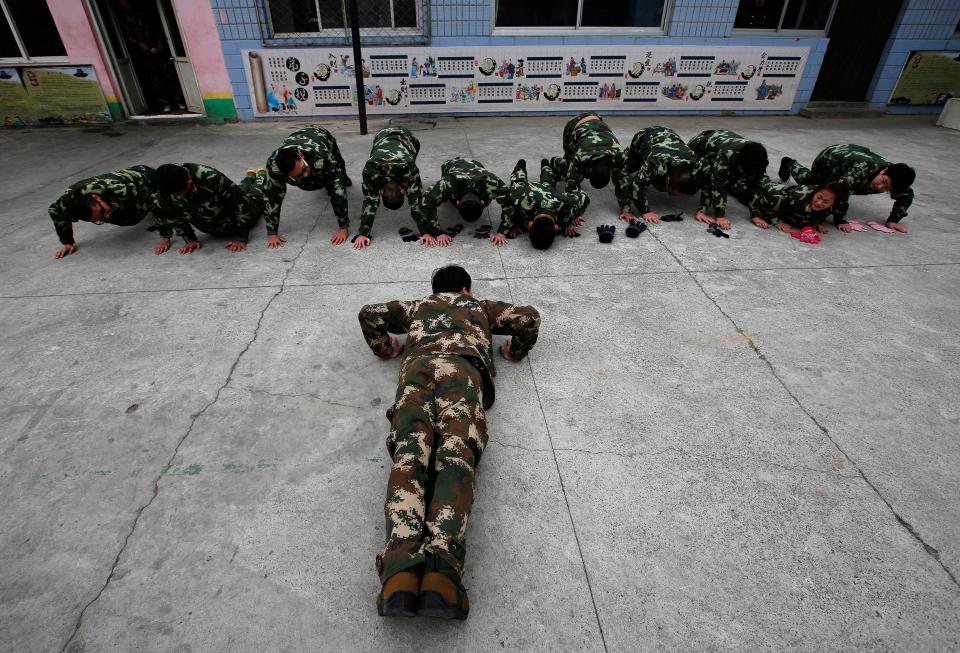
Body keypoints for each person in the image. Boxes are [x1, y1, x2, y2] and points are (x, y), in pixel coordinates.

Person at [358, 265, 541, 620]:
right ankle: (442, 572)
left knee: (409, 460)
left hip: (417, 371)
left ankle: (400, 573)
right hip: (462, 373)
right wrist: (514, 352)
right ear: (466, 289)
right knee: (455, 460)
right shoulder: (480, 307)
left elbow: (369, 314)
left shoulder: (416, 307)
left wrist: (386, 347)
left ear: (433, 290)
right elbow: (529, 318)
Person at [779, 145, 915, 233]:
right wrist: (840, 220)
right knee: (814, 186)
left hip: (850, 162)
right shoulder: (861, 170)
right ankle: (790, 163)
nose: (880, 187)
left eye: (887, 188)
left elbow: (906, 195)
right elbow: (841, 192)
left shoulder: (896, 178)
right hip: (831, 158)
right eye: (883, 181)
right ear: (884, 171)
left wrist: (893, 220)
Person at [261, 125, 352, 249]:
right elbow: (272, 197)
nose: (306, 173)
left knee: (338, 170)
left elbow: (337, 192)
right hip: (297, 139)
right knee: (306, 182)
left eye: (304, 169)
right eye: (298, 175)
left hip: (320, 135)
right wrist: (272, 233)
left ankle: (344, 176)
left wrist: (343, 227)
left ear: (301, 156)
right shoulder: (274, 165)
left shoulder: (322, 155)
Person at [152, 163, 266, 255]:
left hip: (233, 220)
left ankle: (262, 176)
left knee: (256, 196)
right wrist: (190, 239)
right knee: (238, 190)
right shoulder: (165, 188)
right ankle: (250, 177)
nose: (175, 197)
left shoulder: (211, 177)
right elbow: (172, 215)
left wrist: (241, 237)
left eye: (177, 194)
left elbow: (241, 204)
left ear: (189, 183)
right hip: (213, 226)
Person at [48, 166, 158, 259]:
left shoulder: (117, 189)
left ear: (97, 198)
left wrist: (166, 227)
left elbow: (155, 197)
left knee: (133, 216)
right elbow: (55, 213)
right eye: (100, 219)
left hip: (147, 178)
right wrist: (67, 242)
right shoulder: (66, 203)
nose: (107, 216)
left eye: (103, 212)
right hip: (114, 197)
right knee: (120, 217)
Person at [357, 126, 428, 249]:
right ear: (403, 189)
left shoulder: (371, 170)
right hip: (384, 136)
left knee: (410, 154)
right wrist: (425, 232)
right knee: (414, 185)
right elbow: (416, 202)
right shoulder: (408, 168)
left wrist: (364, 233)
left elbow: (370, 201)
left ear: (380, 190)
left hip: (404, 138)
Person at [687, 129, 769, 230]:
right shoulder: (727, 154)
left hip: (723, 141)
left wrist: (756, 214)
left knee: (737, 184)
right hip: (698, 147)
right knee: (690, 184)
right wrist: (719, 216)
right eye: (743, 171)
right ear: (739, 162)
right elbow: (717, 183)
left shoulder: (759, 160)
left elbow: (756, 184)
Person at [500, 159, 590, 250]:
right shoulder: (520, 199)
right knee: (519, 182)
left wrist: (573, 216)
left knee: (539, 182)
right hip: (530, 191)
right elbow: (508, 204)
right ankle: (529, 165)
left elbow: (584, 197)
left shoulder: (568, 205)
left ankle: (538, 165)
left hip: (548, 193)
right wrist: (570, 219)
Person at [422, 157, 512, 246]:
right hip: (451, 164)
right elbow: (426, 203)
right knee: (439, 195)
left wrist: (502, 232)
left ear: (482, 201)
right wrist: (437, 233)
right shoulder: (448, 183)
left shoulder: (491, 182)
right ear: (457, 202)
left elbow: (509, 203)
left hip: (476, 164)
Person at [620, 126, 699, 225]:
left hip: (670, 134)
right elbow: (637, 185)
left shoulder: (695, 162)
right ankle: (625, 155)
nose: (677, 196)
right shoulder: (655, 163)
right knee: (628, 168)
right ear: (668, 180)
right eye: (673, 193)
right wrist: (645, 211)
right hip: (644, 136)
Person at [549, 112, 629, 205]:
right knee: (568, 167)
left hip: (597, 119)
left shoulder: (619, 156)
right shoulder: (581, 157)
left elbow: (622, 182)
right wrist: (575, 210)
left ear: (610, 171)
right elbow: (571, 186)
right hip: (574, 125)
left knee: (577, 171)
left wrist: (626, 209)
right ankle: (555, 161)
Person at [730, 176, 850, 233]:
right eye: (819, 197)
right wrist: (776, 221)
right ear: (816, 191)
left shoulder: (839, 204)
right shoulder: (797, 195)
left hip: (772, 192)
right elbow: (765, 204)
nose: (819, 203)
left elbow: (815, 212)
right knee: (734, 184)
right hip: (762, 192)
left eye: (826, 202)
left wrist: (815, 222)